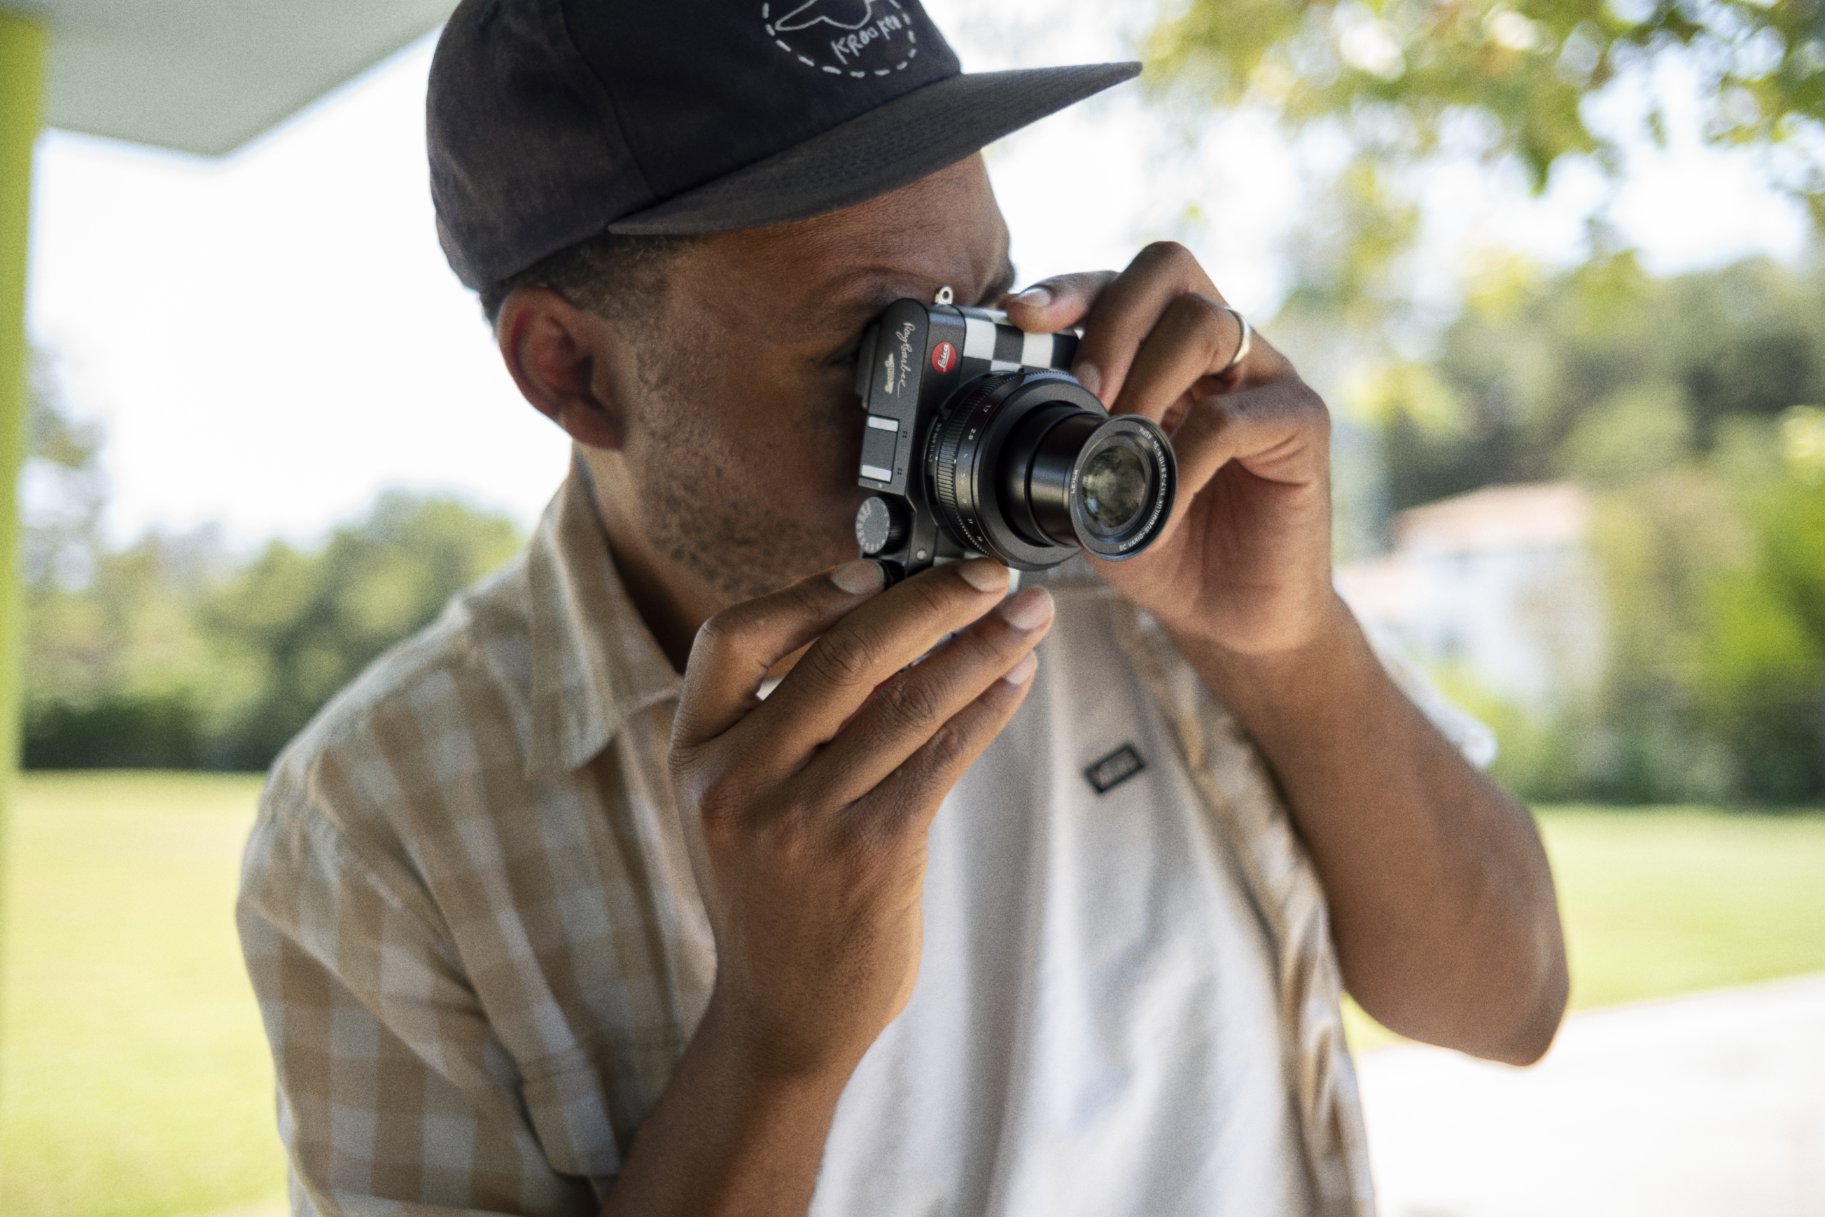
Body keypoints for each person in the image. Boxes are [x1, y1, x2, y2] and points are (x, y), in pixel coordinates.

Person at [236, 2, 1569, 1215]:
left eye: (986, 306)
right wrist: (776, 1043)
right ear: (570, 370)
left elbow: (1508, 1005)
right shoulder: (381, 823)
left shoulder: (1146, 561)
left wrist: (1287, 647)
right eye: (882, 350)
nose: (977, 404)